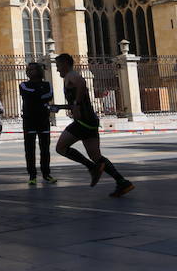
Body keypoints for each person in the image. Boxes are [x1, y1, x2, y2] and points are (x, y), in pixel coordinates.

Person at [52, 53, 134, 197]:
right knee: (97, 157)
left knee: (61, 148)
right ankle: (122, 182)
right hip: (89, 121)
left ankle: (92, 168)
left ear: (65, 64)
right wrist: (61, 107)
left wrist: (76, 104)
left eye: (58, 66)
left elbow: (82, 84)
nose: (57, 69)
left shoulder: (71, 76)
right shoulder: (69, 78)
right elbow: (81, 101)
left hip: (83, 121)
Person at [20, 62, 56, 185]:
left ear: (39, 71)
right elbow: (29, 94)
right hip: (29, 120)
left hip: (43, 120)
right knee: (30, 149)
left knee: (45, 148)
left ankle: (46, 174)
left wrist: (36, 96)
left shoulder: (47, 84)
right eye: (28, 69)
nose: (29, 71)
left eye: (32, 69)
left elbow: (49, 96)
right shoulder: (23, 84)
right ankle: (32, 175)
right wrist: (40, 96)